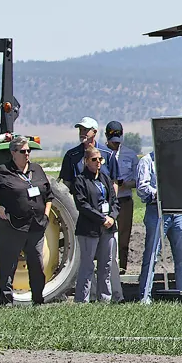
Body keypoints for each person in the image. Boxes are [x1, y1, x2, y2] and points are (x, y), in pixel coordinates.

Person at [0, 136, 53, 305]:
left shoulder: (37, 170)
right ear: (13, 153)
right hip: (12, 226)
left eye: (29, 151)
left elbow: (49, 195)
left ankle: (38, 300)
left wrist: (46, 215)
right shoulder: (3, 171)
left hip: (36, 226)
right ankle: (6, 302)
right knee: (8, 265)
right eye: (23, 151)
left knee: (36, 264)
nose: (27, 154)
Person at [134, 149, 182, 304]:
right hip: (156, 210)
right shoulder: (147, 161)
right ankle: (145, 296)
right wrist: (158, 193)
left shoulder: (180, 160)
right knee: (152, 255)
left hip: (178, 212)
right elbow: (142, 187)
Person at [69, 146, 118, 303]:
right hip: (89, 229)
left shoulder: (105, 178)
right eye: (94, 160)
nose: (98, 162)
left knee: (106, 265)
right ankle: (82, 300)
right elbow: (82, 205)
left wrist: (112, 217)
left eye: (100, 159)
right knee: (87, 265)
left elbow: (114, 202)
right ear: (86, 161)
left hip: (108, 228)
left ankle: (105, 299)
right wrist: (101, 219)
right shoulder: (80, 180)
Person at [103, 120, 135, 275]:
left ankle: (122, 267)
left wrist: (125, 184)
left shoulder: (130, 155)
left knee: (124, 235)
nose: (115, 145)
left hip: (125, 199)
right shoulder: (100, 154)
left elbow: (138, 180)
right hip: (106, 201)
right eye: (112, 141)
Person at [59, 117, 107, 184]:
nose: (82, 133)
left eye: (85, 130)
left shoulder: (107, 154)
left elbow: (113, 181)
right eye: (80, 130)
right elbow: (66, 182)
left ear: (94, 132)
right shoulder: (71, 155)